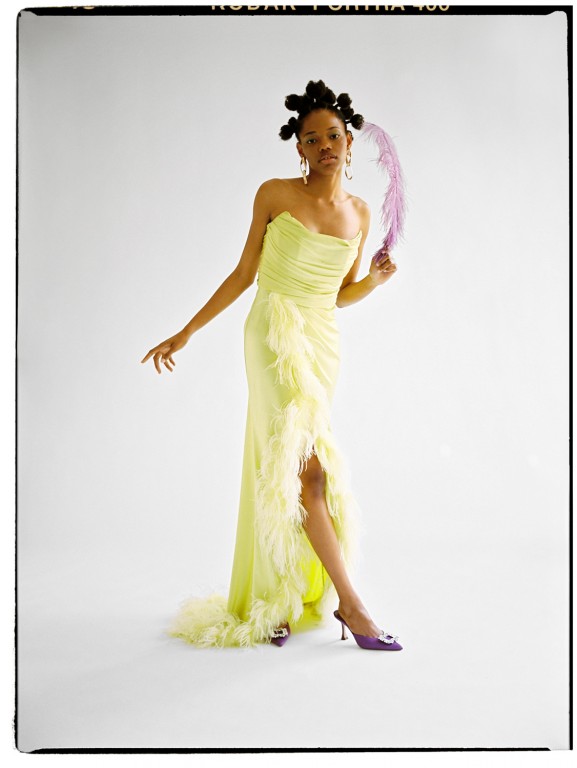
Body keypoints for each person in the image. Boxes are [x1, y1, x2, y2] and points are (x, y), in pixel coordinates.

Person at [141, 80, 403, 651]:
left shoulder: (359, 213)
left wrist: (374, 282)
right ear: (300, 149)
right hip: (272, 332)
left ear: (349, 142)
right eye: (312, 138)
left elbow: (338, 295)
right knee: (308, 472)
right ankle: (352, 606)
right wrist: (187, 332)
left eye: (333, 135)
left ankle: (277, 595)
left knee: (285, 468)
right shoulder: (274, 194)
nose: (325, 145)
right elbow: (244, 273)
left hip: (321, 341)